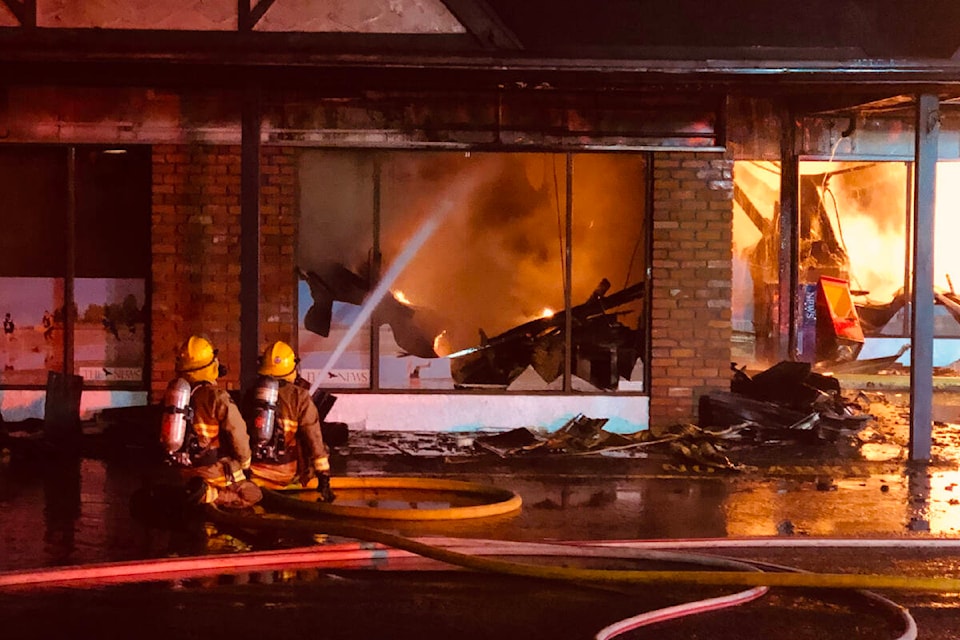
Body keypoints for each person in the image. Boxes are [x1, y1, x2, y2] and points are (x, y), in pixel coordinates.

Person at [160, 334, 262, 509]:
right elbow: (237, 432)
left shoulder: (172, 397)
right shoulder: (217, 397)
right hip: (212, 470)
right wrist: (244, 463)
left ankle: (189, 491)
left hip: (181, 470)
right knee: (254, 494)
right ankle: (208, 494)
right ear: (211, 365)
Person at [244, 340, 335, 502]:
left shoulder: (251, 394)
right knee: (322, 446)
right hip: (284, 474)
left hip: (252, 473)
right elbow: (313, 438)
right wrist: (324, 477)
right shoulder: (300, 396)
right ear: (292, 368)